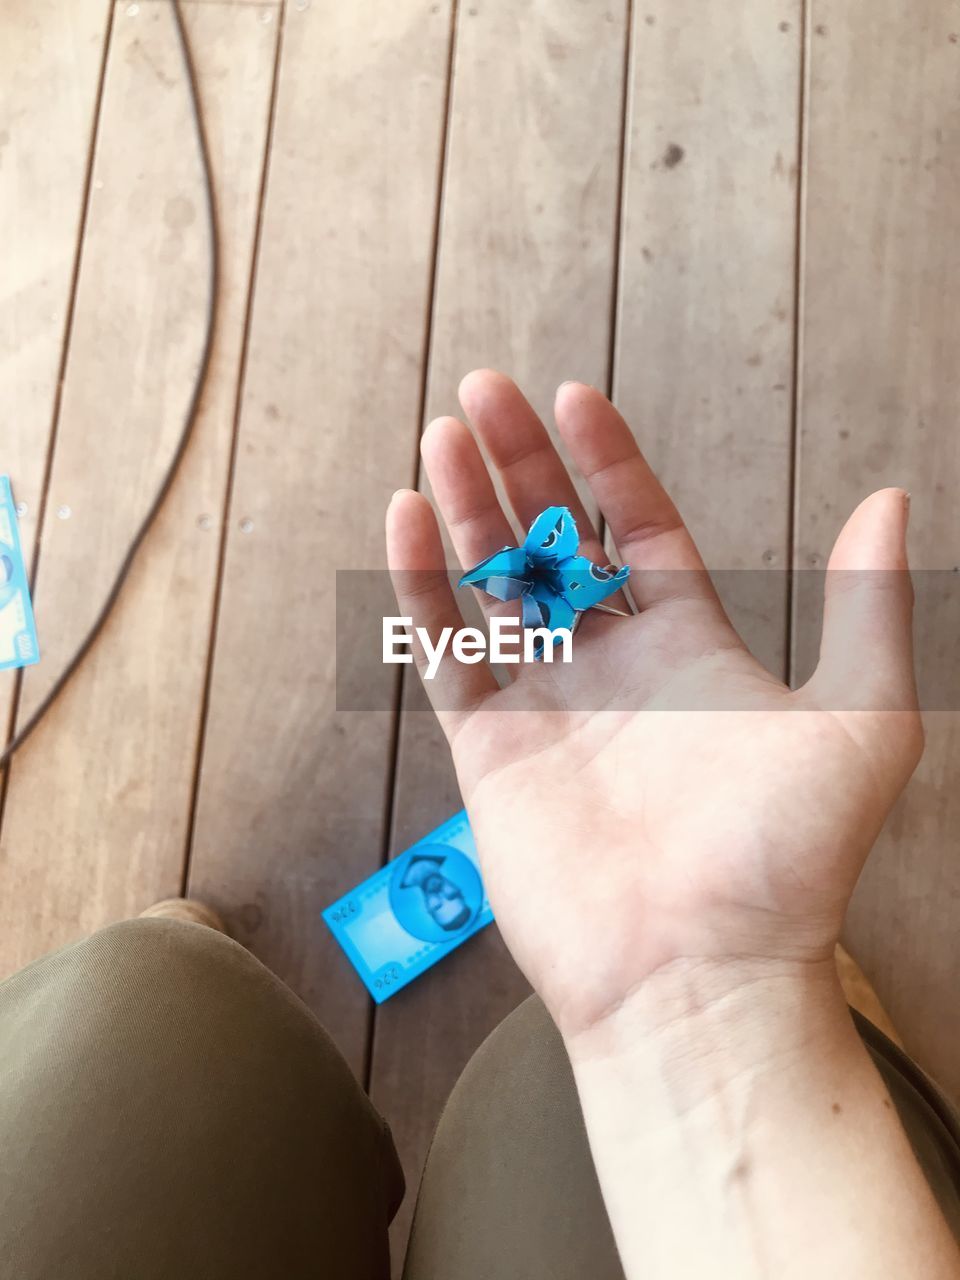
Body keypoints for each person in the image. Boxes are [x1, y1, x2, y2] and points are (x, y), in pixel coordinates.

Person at [0, 371, 957, 1278]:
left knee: (136, 997)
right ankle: (179, 953)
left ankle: (176, 946)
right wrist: (736, 994)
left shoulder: (543, 590)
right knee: (533, 1084)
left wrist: (715, 983)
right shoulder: (537, 587)